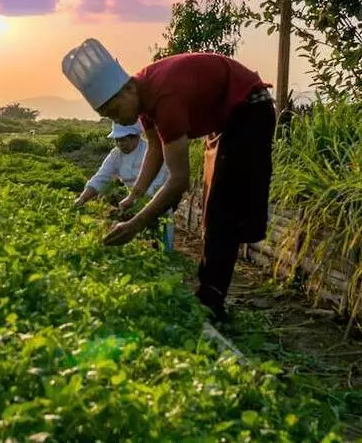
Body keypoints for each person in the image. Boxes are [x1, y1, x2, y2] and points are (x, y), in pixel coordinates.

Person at [61, 38, 276, 322]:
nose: (119, 120)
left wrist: (136, 225)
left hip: (249, 111)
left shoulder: (164, 96)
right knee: (214, 210)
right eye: (108, 116)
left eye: (115, 111)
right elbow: (154, 148)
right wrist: (134, 195)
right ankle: (210, 295)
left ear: (127, 89)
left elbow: (178, 181)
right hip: (226, 119)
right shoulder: (144, 98)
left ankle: (210, 302)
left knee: (221, 210)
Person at [73, 121, 175, 252]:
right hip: (132, 202)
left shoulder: (153, 152)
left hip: (156, 202)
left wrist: (137, 204)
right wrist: (82, 198)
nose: (120, 144)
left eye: (123, 140)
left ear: (136, 137)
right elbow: (102, 177)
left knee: (161, 245)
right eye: (117, 141)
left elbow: (157, 184)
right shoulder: (116, 155)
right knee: (138, 246)